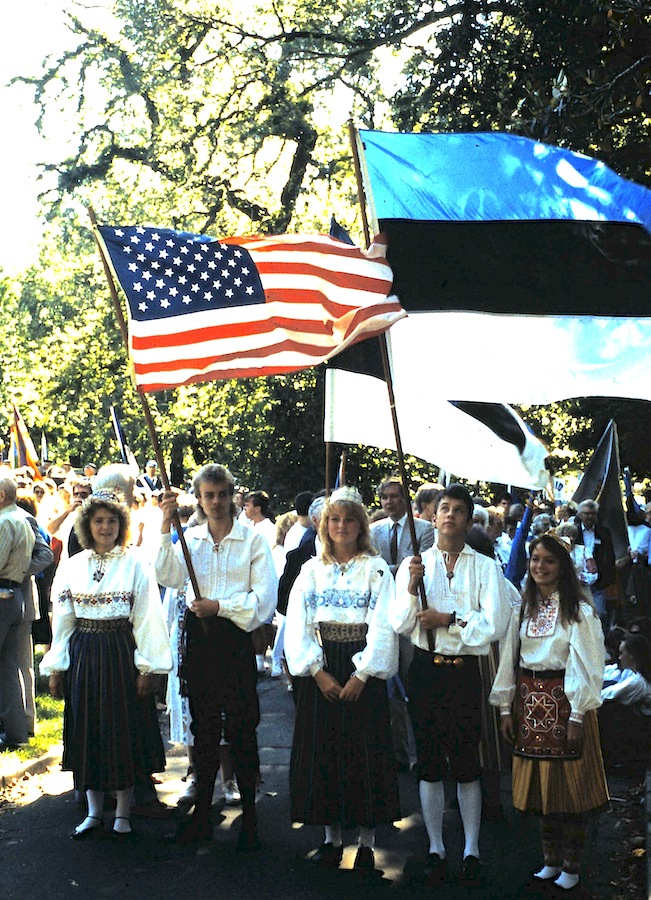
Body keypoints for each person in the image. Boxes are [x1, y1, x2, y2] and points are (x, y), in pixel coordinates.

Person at [392, 483, 511, 887]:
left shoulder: (485, 567)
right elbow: (401, 623)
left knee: (465, 761)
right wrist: (411, 589)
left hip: (463, 673)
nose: (450, 516)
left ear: (468, 518)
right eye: (444, 508)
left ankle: (472, 848)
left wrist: (449, 619)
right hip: (425, 669)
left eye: (459, 510)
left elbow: (494, 623)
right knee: (428, 760)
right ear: (432, 514)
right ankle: (436, 847)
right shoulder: (414, 565)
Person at [155, 464, 277, 849]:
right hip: (200, 641)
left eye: (223, 494)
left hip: (235, 639)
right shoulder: (189, 538)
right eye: (209, 495)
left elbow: (263, 601)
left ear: (233, 496)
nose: (217, 502)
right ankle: (203, 815)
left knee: (242, 728)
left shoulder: (252, 541)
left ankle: (252, 819)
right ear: (200, 499)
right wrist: (163, 525)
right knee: (204, 730)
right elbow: (167, 574)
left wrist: (220, 606)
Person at [40, 492, 172, 839]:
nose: (105, 527)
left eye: (112, 520)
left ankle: (124, 814)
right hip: (84, 653)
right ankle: (94, 812)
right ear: (87, 525)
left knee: (122, 730)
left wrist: (147, 668)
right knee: (89, 730)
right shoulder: (73, 564)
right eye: (98, 520)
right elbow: (64, 618)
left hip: (120, 652)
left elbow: (147, 618)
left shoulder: (134, 564)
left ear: (121, 525)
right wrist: (57, 665)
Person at [284, 487, 399, 874]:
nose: (342, 526)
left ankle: (367, 842)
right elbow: (296, 625)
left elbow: (384, 625)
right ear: (324, 525)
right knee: (326, 751)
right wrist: (316, 672)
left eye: (350, 519)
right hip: (323, 670)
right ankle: (331, 838)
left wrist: (363, 673)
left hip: (359, 670)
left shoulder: (377, 569)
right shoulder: (311, 570)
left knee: (363, 754)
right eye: (335, 519)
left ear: (361, 525)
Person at [490, 532, 609, 894]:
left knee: (570, 792)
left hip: (564, 704)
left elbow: (586, 666)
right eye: (535, 559)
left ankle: (572, 864)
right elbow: (509, 659)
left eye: (549, 560)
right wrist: (505, 708)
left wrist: (576, 716)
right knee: (543, 791)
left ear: (562, 567)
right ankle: (550, 860)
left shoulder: (578, 612)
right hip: (529, 703)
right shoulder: (523, 609)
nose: (539, 567)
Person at [0, 474, 36, 751]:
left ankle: (13, 732)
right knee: (8, 668)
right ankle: (16, 732)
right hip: (15, 596)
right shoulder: (21, 519)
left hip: (2, 595)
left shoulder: (4, 521)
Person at [599, 632, 651, 772]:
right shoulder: (631, 673)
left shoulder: (637, 682)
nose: (620, 657)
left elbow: (607, 695)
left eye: (622, 653)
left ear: (632, 656)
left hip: (637, 728)